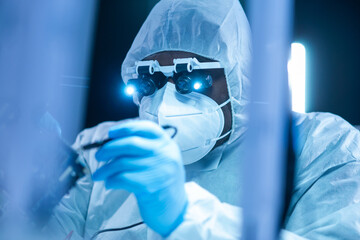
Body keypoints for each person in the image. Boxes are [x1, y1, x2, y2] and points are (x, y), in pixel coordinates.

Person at [47, 0, 360, 239]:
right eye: (150, 83)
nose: (166, 103)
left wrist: (185, 214)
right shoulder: (99, 152)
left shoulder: (322, 146)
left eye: (191, 80)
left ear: (240, 78)